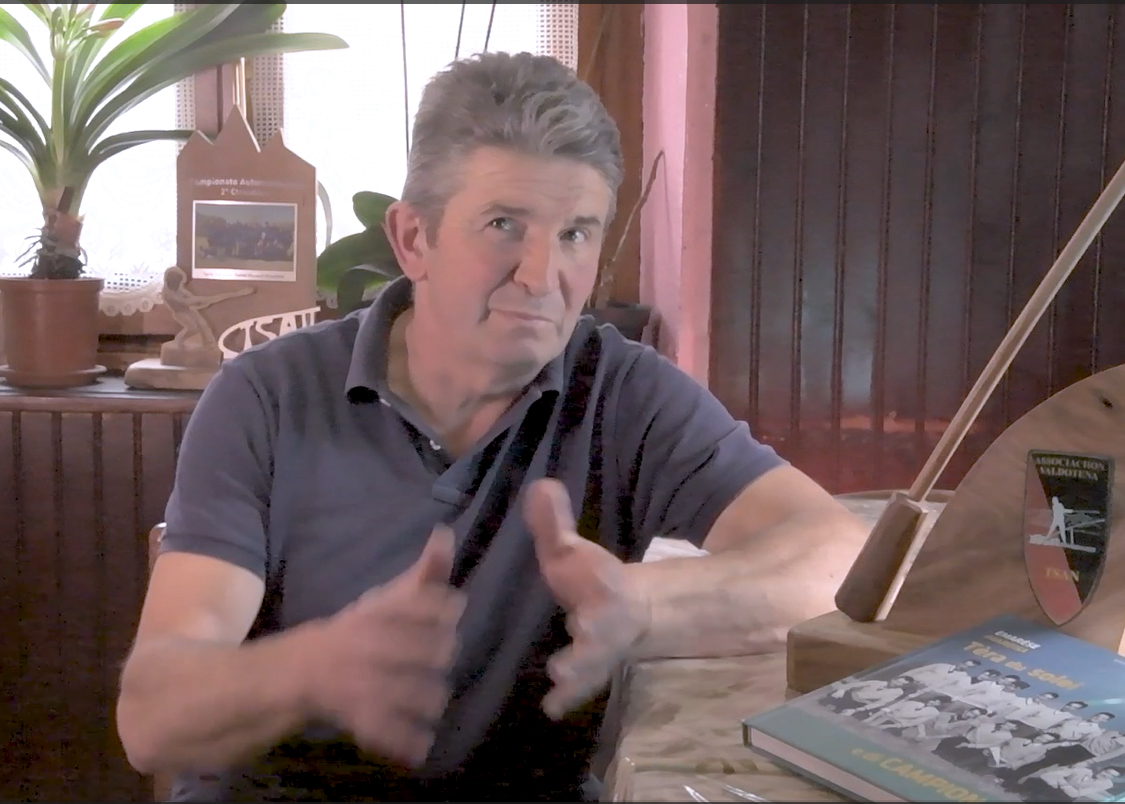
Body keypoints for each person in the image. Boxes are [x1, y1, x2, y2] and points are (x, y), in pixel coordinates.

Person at [115, 51, 868, 802]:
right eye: (504, 225)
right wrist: (311, 669)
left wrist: (641, 606)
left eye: (575, 234)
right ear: (414, 239)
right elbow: (150, 719)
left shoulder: (621, 390)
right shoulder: (266, 397)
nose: (542, 276)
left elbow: (838, 557)